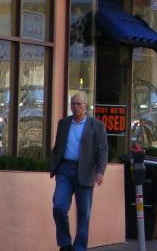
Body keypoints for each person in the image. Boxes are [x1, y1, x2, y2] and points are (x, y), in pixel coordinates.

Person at [49, 93, 108, 251]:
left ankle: (79, 247)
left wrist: (100, 171)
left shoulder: (97, 126)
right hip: (65, 170)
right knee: (59, 206)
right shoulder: (63, 123)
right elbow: (57, 147)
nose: (75, 107)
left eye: (79, 104)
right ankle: (65, 243)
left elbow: (102, 151)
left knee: (84, 213)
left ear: (85, 106)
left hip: (86, 172)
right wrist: (54, 164)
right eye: (73, 104)